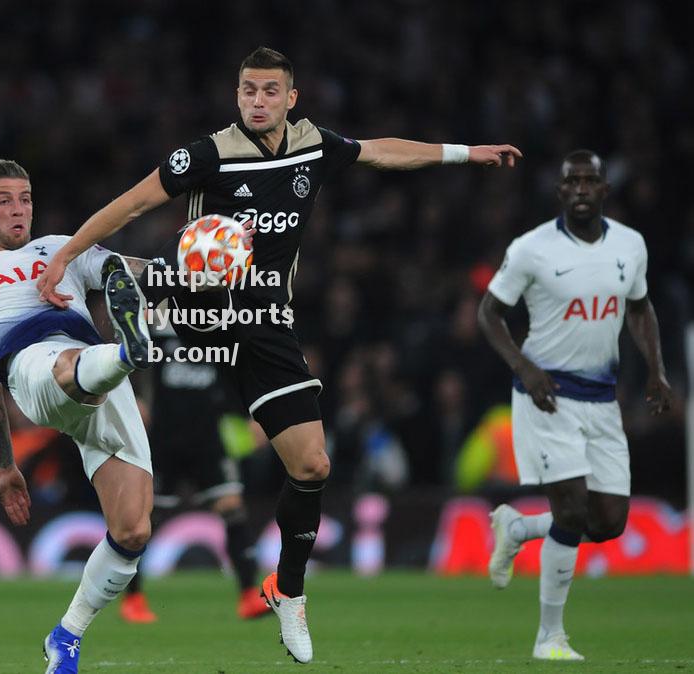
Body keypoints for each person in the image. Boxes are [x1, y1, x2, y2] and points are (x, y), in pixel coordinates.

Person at [36, 47, 521, 664]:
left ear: (291, 98)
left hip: (265, 324)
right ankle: (87, 309)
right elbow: (133, 202)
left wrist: (464, 153)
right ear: (236, 95)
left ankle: (286, 589)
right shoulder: (208, 154)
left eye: (270, 91)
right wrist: (64, 253)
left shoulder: (312, 145)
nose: (257, 101)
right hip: (194, 317)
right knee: (147, 440)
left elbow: (380, 150)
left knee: (312, 466)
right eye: (248, 90)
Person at [0, 159, 155, 674]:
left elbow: (128, 269)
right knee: (65, 366)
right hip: (32, 368)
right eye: (4, 200)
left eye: (25, 198)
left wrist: (203, 266)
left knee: (133, 531)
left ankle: (66, 635)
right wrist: (4, 464)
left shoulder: (63, 246)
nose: (18, 209)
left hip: (95, 372)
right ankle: (130, 349)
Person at [478, 150, 672, 661]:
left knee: (609, 521)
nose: (581, 188)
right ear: (559, 191)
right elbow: (489, 313)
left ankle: (519, 528)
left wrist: (657, 369)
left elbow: (639, 306)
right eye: (572, 181)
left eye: (591, 180)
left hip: (601, 399)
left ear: (605, 188)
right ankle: (550, 638)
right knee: (570, 508)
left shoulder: (631, 245)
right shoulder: (531, 249)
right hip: (546, 396)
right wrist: (524, 367)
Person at [120, 318, 271, 624]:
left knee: (231, 507)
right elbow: (126, 354)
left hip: (208, 437)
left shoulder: (218, 325)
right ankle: (133, 598)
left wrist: (250, 414)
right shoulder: (159, 323)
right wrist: (132, 396)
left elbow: (237, 372)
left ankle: (247, 596)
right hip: (164, 438)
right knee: (144, 520)